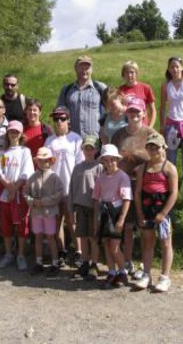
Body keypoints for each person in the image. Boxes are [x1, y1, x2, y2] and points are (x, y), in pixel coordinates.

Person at [111, 99, 157, 274]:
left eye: (138, 112)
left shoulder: (150, 133)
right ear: (126, 113)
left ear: (144, 113)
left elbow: (157, 157)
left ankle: (147, 265)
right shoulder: (118, 135)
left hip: (145, 184)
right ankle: (128, 260)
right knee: (128, 226)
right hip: (124, 184)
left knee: (145, 225)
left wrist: (138, 159)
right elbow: (113, 158)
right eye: (131, 111)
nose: (134, 115)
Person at [134, 133, 178, 292]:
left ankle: (165, 276)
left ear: (163, 148)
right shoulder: (142, 168)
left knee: (166, 243)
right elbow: (138, 192)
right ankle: (146, 273)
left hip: (162, 208)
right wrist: (139, 213)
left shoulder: (169, 168)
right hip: (146, 207)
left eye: (156, 147)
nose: (153, 150)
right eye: (150, 147)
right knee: (147, 241)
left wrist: (164, 213)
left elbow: (174, 193)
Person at [44, 106, 84, 267]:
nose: (59, 122)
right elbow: (45, 164)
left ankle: (79, 251)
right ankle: (61, 251)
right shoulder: (49, 140)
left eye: (62, 118)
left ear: (68, 120)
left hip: (70, 186)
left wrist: (77, 186)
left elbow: (80, 164)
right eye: (56, 119)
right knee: (56, 221)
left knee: (72, 221)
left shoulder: (75, 139)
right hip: (54, 188)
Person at [0, 120, 35, 270]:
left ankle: (21, 254)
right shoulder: (2, 153)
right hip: (6, 194)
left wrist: (14, 188)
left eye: (16, 132)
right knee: (6, 225)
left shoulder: (25, 151)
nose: (13, 134)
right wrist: (9, 188)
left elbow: (26, 173)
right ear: (7, 133)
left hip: (19, 194)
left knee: (21, 225)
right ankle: (8, 253)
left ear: (21, 134)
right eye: (11, 131)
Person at [92, 144, 132, 289]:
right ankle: (111, 271)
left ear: (117, 160)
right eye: (106, 160)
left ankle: (123, 272)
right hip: (104, 213)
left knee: (115, 245)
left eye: (112, 159)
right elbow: (96, 199)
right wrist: (96, 220)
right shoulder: (101, 178)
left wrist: (121, 219)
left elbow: (127, 199)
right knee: (107, 244)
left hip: (116, 212)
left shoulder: (122, 176)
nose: (110, 162)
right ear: (102, 161)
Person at [159, 57, 183, 196]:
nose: (175, 69)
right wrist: (162, 126)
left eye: (177, 66)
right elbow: (162, 107)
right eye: (172, 67)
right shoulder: (165, 85)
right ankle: (172, 186)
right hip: (171, 126)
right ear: (168, 69)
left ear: (182, 68)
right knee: (171, 159)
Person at [23, 147, 64, 277]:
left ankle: (55, 263)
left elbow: (59, 194)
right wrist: (32, 201)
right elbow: (25, 192)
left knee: (51, 237)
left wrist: (44, 201)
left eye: (46, 160)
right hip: (36, 213)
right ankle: (39, 263)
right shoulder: (32, 177)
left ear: (50, 161)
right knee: (38, 237)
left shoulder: (54, 178)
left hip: (49, 212)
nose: (43, 163)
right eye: (40, 160)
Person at [68, 135, 102, 280]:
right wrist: (71, 209)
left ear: (96, 150)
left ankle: (94, 264)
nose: (88, 151)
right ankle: (85, 262)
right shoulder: (77, 167)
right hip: (80, 207)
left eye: (91, 148)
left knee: (93, 237)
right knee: (82, 237)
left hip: (94, 208)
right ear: (82, 150)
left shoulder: (99, 167)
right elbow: (72, 189)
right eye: (86, 148)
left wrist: (99, 210)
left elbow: (101, 189)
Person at [57, 55, 107, 137]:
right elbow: (59, 113)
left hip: (95, 140)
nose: (84, 70)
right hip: (72, 140)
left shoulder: (100, 87)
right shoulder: (66, 89)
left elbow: (112, 108)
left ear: (91, 69)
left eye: (87, 68)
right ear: (75, 69)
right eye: (81, 67)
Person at [118, 60, 157, 127]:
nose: (129, 75)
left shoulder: (146, 88)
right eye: (127, 72)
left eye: (132, 72)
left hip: (142, 126)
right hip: (125, 126)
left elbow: (153, 111)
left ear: (136, 73)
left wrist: (150, 127)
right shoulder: (119, 90)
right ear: (123, 74)